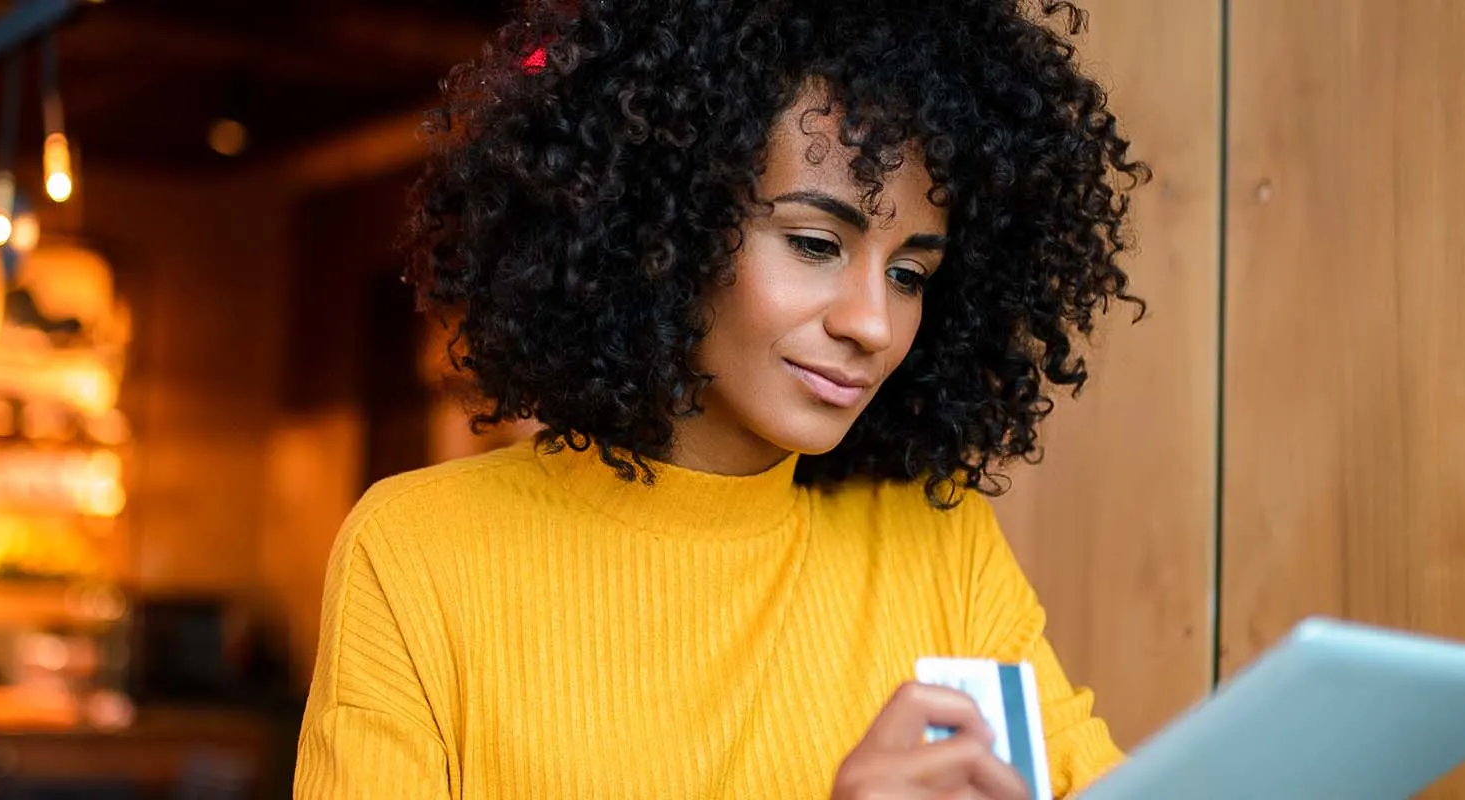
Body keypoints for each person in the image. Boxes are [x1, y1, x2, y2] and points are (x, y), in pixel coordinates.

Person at [294, 0, 1144, 796]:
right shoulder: (420, 552)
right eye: (815, 243)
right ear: (665, 223)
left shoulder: (939, 544)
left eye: (910, 272)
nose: (874, 324)